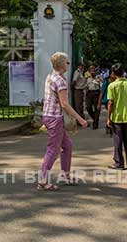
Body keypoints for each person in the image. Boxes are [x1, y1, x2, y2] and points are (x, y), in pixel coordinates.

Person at [37, 52, 88, 191]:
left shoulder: (50, 77)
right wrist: (80, 119)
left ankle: (65, 175)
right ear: (61, 64)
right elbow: (64, 103)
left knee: (67, 145)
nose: (68, 64)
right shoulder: (60, 81)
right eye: (66, 62)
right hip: (55, 118)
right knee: (53, 149)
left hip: (49, 116)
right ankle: (42, 179)